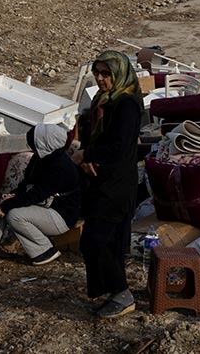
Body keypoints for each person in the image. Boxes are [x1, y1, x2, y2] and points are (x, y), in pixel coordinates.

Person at [71, 49, 143, 318]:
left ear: (119, 74)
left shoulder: (126, 105)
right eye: (97, 73)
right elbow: (96, 137)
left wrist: (86, 155)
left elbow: (120, 147)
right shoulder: (105, 99)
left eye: (106, 73)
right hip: (100, 181)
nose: (100, 78)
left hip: (117, 184)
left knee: (95, 240)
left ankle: (122, 293)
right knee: (107, 241)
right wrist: (89, 156)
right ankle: (115, 293)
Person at [0, 123, 81, 273]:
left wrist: (7, 205)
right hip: (46, 207)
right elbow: (27, 183)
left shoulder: (60, 166)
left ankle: (43, 249)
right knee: (3, 206)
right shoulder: (42, 158)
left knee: (13, 214)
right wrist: (14, 194)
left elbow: (37, 194)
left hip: (61, 216)